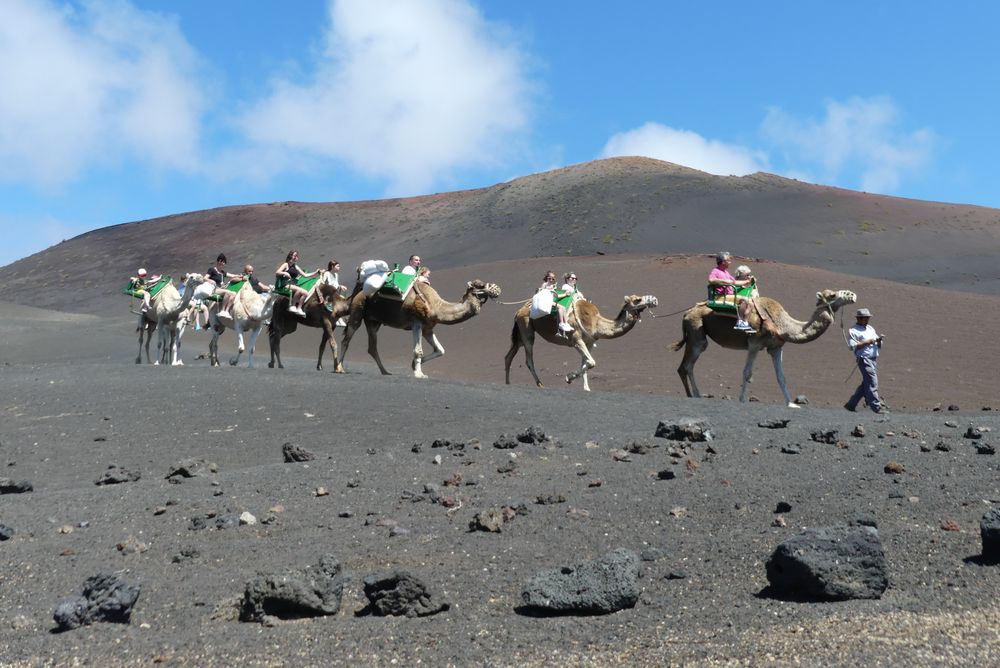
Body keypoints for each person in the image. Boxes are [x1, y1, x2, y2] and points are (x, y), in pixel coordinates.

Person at [844, 308, 888, 414]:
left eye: (868, 318)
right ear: (859, 318)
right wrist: (867, 342)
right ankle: (876, 407)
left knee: (866, 384)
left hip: (873, 359)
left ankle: (851, 404)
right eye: (865, 318)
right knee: (872, 382)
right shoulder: (853, 330)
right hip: (864, 359)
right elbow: (853, 346)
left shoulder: (870, 328)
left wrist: (878, 341)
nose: (867, 320)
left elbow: (876, 340)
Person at [708, 251, 755, 332]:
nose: (730, 262)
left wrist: (747, 281)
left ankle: (745, 322)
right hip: (720, 297)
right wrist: (725, 281)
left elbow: (735, 282)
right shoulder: (716, 271)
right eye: (728, 260)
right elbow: (711, 280)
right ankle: (739, 322)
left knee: (751, 303)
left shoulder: (726, 272)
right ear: (723, 262)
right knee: (744, 300)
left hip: (728, 296)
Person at [275, 250, 320, 316]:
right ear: (291, 256)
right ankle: (292, 306)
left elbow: (305, 275)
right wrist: (285, 272)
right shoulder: (286, 264)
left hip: (293, 285)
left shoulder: (295, 266)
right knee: (300, 290)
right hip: (286, 285)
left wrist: (315, 272)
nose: (296, 257)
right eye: (295, 255)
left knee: (305, 293)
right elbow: (277, 272)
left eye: (297, 256)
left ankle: (299, 308)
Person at [207, 253, 241, 319]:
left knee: (234, 293)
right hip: (214, 289)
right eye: (220, 261)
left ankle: (226, 311)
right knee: (228, 292)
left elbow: (232, 275)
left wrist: (240, 276)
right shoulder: (212, 270)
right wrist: (210, 281)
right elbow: (205, 278)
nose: (221, 263)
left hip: (221, 289)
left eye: (223, 262)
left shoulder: (223, 272)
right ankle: (222, 310)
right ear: (217, 261)